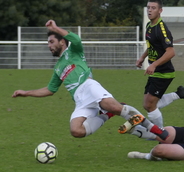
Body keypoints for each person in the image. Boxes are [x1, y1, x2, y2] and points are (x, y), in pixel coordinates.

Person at [11, 19, 168, 141]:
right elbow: (50, 90)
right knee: (76, 131)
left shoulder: (74, 50)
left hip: (89, 87)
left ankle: (156, 130)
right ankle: (107, 114)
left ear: (62, 41)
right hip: (80, 100)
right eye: (48, 43)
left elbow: (76, 39)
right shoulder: (58, 67)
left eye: (51, 41)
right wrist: (26, 93)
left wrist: (55, 28)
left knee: (115, 107)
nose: (49, 46)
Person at [136, 0, 184, 128]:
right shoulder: (149, 26)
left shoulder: (162, 29)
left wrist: (153, 64)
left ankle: (160, 134)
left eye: (153, 8)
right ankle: (179, 94)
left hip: (163, 72)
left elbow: (171, 52)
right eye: (148, 7)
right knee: (148, 104)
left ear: (160, 11)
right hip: (155, 71)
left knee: (150, 105)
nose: (150, 10)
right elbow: (152, 46)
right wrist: (142, 57)